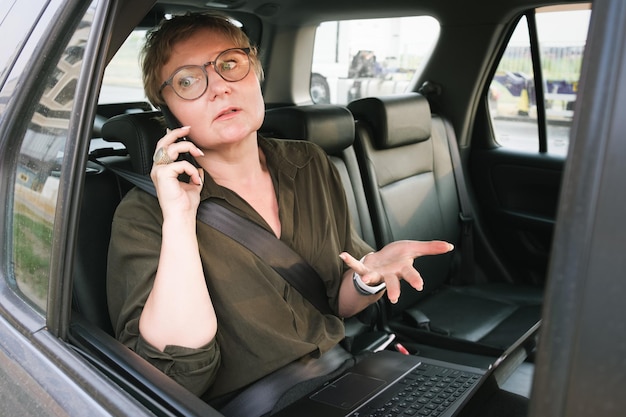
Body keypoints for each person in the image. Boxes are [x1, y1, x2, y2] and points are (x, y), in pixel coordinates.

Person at [106, 11, 453, 414]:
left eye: (230, 64)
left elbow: (334, 302)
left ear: (256, 73)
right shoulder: (145, 215)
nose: (218, 87)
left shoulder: (309, 163)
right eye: (187, 81)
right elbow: (179, 374)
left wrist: (368, 280)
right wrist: (180, 219)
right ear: (167, 110)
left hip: (347, 373)